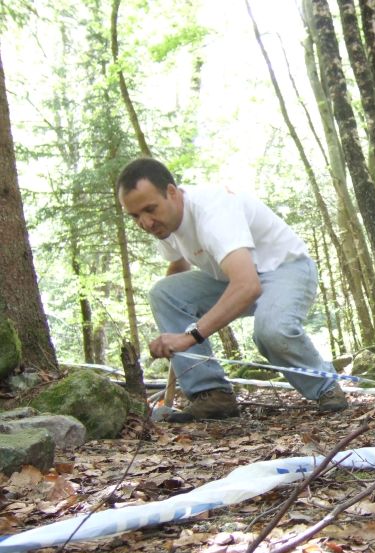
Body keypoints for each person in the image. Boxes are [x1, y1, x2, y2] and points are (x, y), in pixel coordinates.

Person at [116, 158, 347, 420]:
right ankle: (212, 395)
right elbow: (177, 270)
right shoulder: (165, 224)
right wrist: (170, 329)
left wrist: (188, 336)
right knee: (163, 293)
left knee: (271, 330)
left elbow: (247, 286)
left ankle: (326, 388)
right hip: (230, 277)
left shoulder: (213, 211)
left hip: (285, 268)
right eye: (135, 216)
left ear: (171, 192)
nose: (145, 223)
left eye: (149, 209)